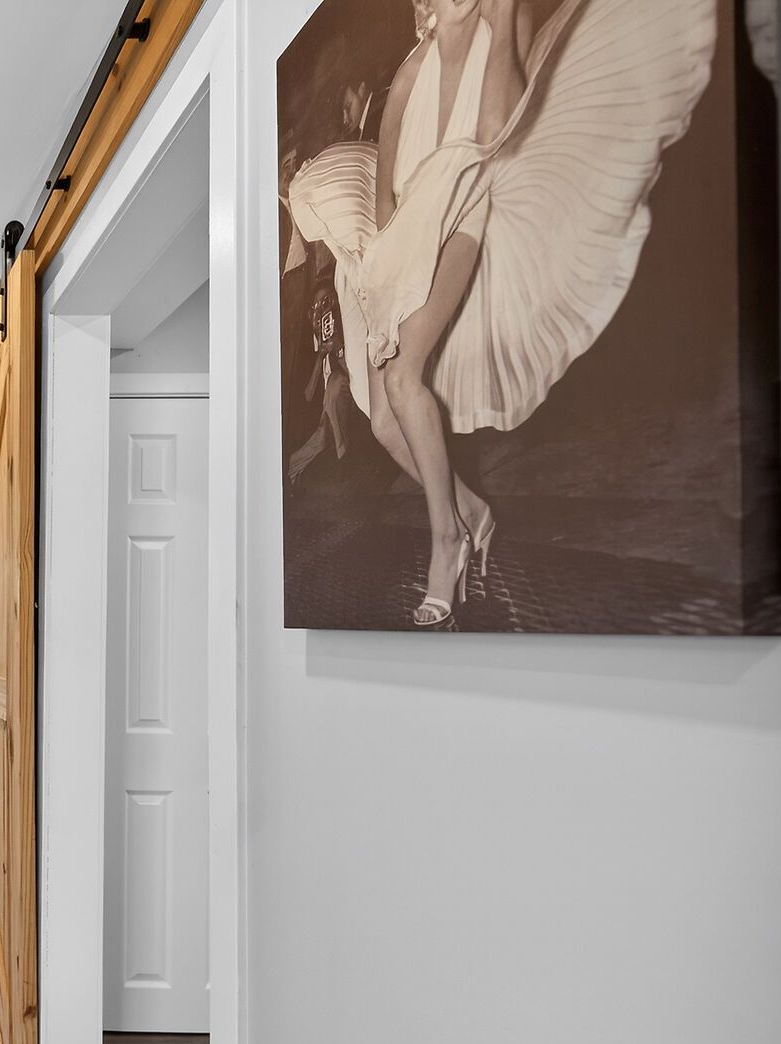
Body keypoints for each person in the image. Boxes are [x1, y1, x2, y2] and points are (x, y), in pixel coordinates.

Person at [286, 0, 716, 626]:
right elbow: (384, 197)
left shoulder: (499, 29)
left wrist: (506, 14)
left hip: (467, 212)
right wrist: (386, 278)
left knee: (404, 380)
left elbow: (497, 126)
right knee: (382, 422)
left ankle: (447, 543)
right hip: (404, 234)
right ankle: (471, 511)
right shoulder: (409, 75)